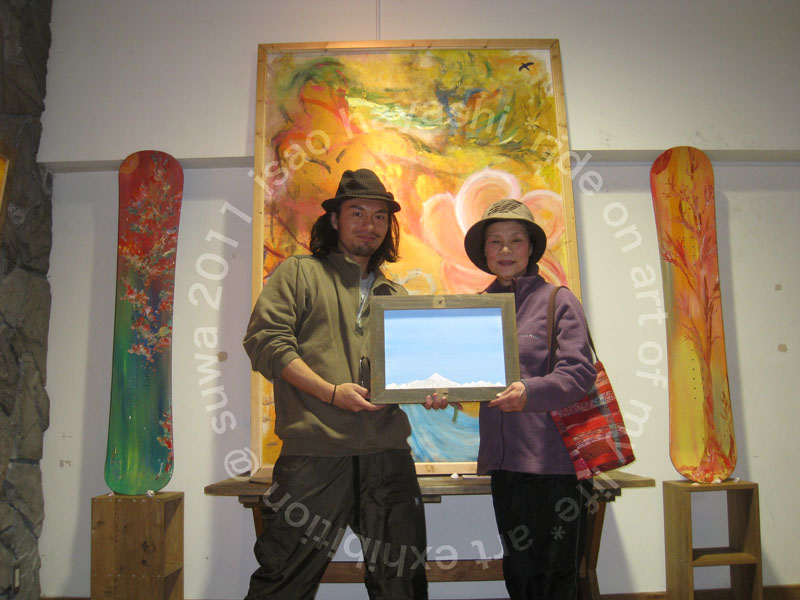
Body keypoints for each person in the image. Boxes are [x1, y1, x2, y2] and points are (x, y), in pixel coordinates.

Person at [243, 168, 444, 600]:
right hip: (313, 455)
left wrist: (432, 390)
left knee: (403, 584)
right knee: (283, 580)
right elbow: (266, 343)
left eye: (379, 216)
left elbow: (413, 374)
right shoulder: (298, 273)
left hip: (388, 457)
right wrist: (331, 393)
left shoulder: (397, 296)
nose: (369, 225)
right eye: (357, 213)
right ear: (335, 219)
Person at [462, 199, 597, 600]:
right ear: (484, 251)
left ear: (531, 248)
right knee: (520, 577)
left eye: (516, 240)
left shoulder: (558, 300)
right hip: (507, 469)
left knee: (558, 579)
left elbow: (579, 373)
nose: (505, 250)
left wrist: (529, 391)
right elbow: (467, 378)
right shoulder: (476, 307)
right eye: (495, 241)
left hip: (557, 467)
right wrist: (441, 393)